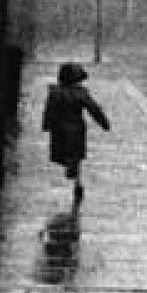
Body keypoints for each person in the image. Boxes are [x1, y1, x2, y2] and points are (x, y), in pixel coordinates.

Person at [42, 62, 111, 205]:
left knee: (62, 152)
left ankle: (71, 170)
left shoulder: (55, 93)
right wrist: (104, 123)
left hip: (59, 128)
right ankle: (76, 178)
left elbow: (49, 110)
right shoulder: (81, 93)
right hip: (76, 129)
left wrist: (47, 124)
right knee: (76, 154)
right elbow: (94, 108)